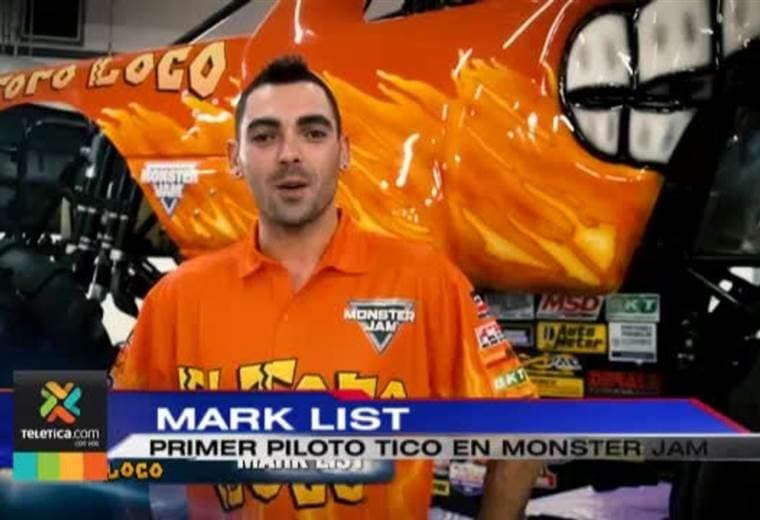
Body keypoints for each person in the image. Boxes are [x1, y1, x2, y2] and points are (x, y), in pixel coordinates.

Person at [113, 55, 541, 519]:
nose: (289, 154)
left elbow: (522, 425)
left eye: (313, 133)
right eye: (265, 136)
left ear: (344, 152)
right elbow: (101, 433)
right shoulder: (177, 298)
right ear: (235, 158)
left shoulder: (426, 282)